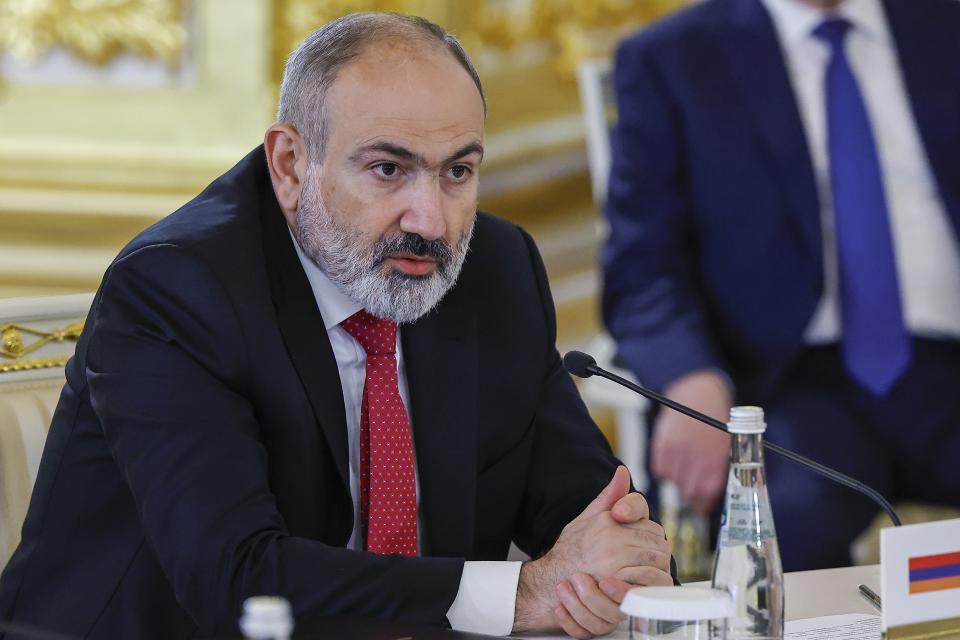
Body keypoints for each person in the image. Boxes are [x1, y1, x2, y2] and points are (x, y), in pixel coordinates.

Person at [0, 12, 674, 640]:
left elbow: (584, 504)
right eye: (388, 169)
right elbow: (237, 579)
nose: (430, 221)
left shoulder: (493, 270)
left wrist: (620, 555)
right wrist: (523, 593)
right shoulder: (179, 292)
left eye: (458, 172)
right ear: (292, 165)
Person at [604, 0, 960, 571]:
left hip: (948, 368)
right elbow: (642, 266)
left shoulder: (944, 24)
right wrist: (689, 377)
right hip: (782, 387)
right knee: (777, 530)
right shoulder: (671, 59)